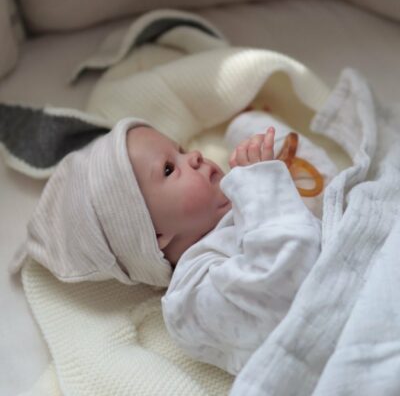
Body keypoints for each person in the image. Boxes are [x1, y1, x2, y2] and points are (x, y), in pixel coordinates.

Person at [18, 110, 335, 375]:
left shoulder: (248, 193)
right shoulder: (191, 296)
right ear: (154, 236)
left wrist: (251, 129)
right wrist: (261, 185)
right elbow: (286, 284)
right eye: (169, 169)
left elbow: (325, 188)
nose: (194, 156)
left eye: (181, 149)